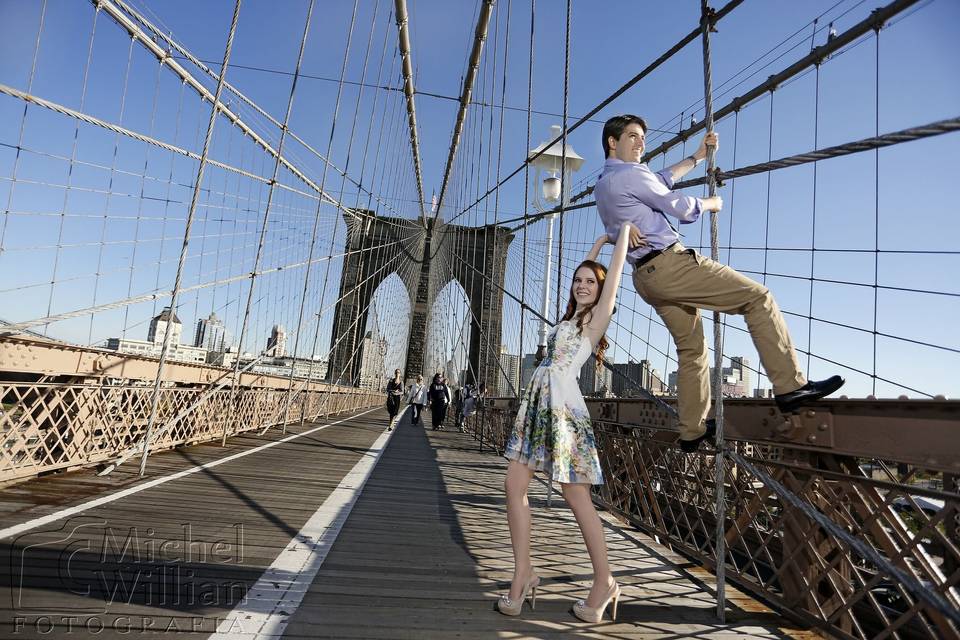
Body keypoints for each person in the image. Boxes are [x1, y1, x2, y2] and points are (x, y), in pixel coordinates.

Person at [593, 114, 845, 453]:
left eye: (642, 138)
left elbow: (661, 180)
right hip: (671, 266)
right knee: (759, 299)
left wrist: (697, 157)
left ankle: (692, 429)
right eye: (633, 137)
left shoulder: (603, 185)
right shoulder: (631, 174)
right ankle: (790, 386)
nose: (641, 143)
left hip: (645, 278)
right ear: (613, 141)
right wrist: (710, 204)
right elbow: (676, 205)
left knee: (691, 349)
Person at [497, 222, 637, 622]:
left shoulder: (594, 323)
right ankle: (523, 573)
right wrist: (597, 243)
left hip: (564, 413)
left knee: (577, 498)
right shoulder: (567, 321)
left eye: (589, 282)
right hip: (539, 406)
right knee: (513, 484)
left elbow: (610, 284)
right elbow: (591, 270)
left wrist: (622, 233)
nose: (582, 285)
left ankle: (604, 580)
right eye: (577, 280)